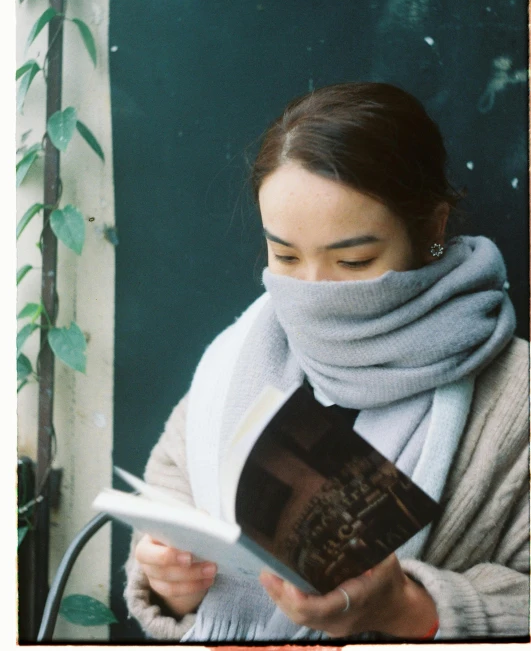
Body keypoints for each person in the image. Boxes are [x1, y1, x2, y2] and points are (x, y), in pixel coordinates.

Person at [124, 82, 529, 641]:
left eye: (354, 259)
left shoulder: (517, 396)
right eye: (284, 255)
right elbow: (169, 500)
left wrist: (409, 610)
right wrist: (170, 582)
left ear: (432, 230)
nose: (313, 291)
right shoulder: (235, 356)